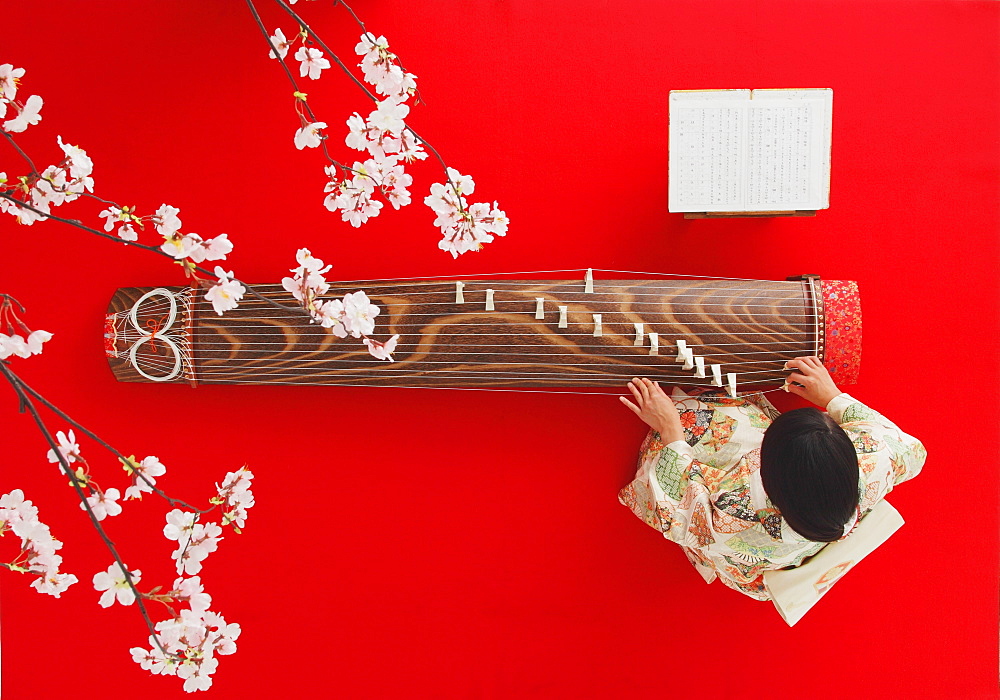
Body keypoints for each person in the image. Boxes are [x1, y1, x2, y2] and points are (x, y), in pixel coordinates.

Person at [617, 356, 926, 600]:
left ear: (767, 474)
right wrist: (832, 396)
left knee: (686, 419)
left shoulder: (737, 520)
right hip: (816, 527)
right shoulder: (872, 460)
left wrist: (670, 429)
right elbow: (913, 451)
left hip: (758, 555)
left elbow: (687, 521)